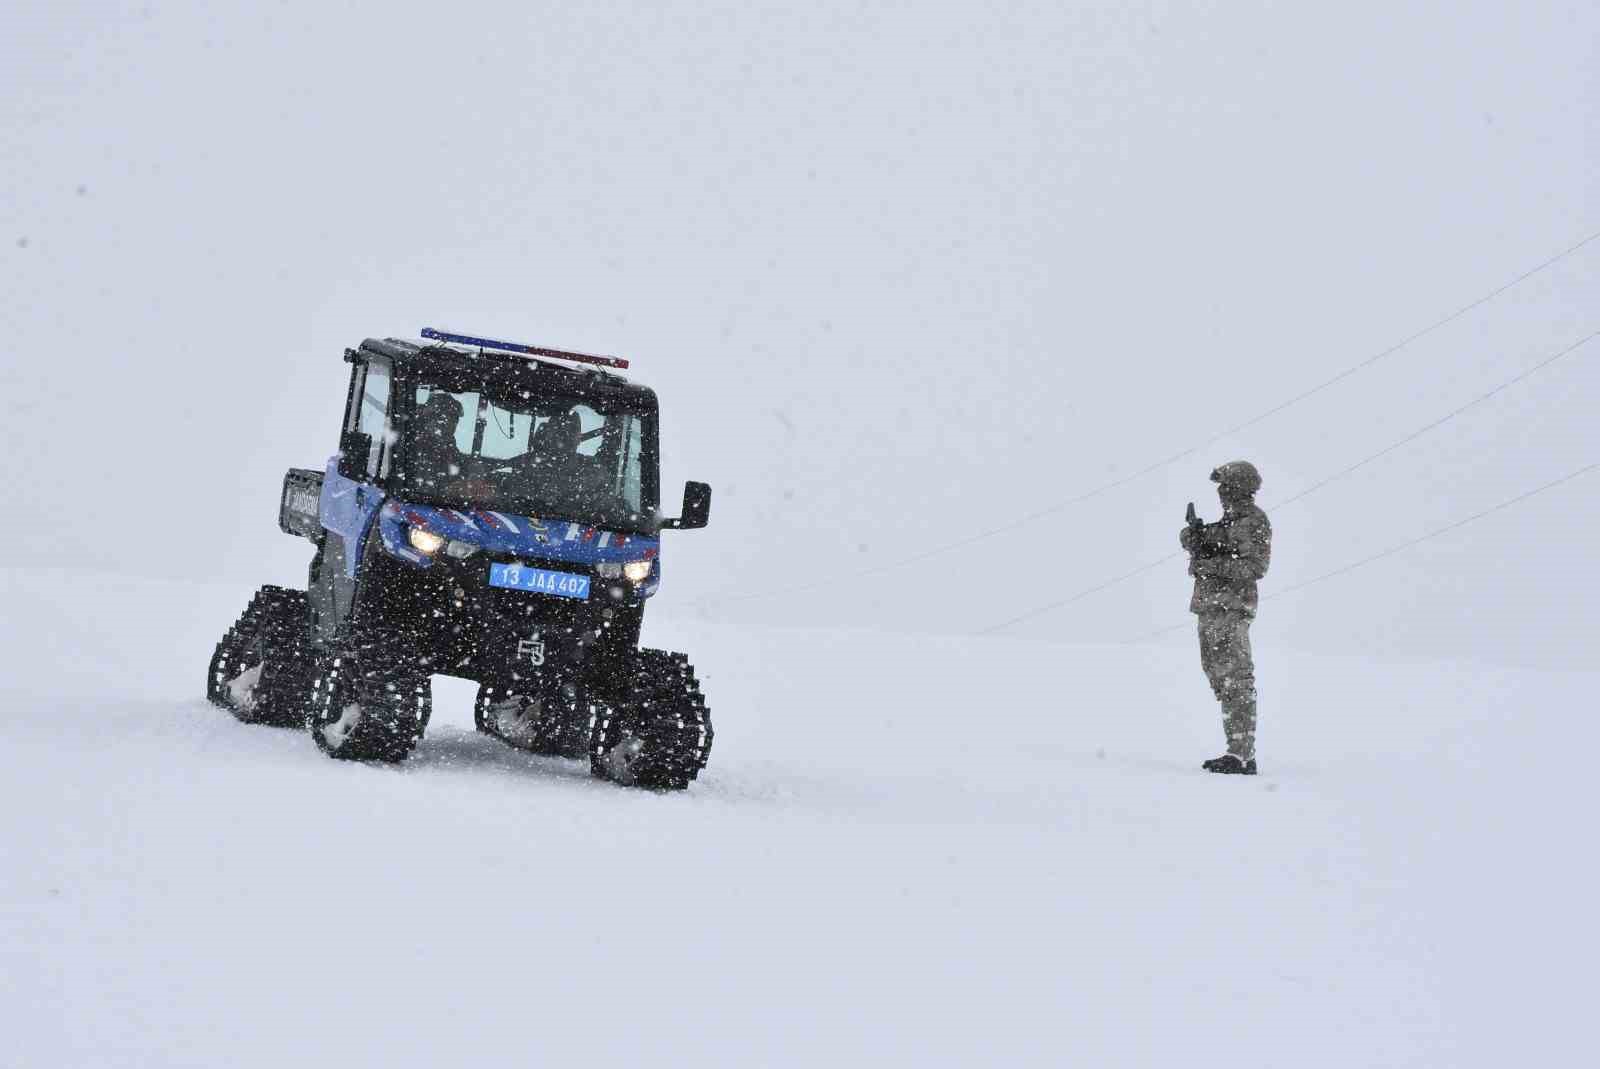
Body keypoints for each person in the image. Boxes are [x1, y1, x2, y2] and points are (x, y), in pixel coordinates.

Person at [1180, 460, 1272, 775]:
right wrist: (1195, 538)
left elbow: (1254, 568)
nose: (1220, 492)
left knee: (1237, 678)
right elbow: (1205, 544)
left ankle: (1242, 755)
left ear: (1238, 487)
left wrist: (1209, 563)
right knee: (1219, 677)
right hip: (1211, 607)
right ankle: (1236, 750)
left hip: (1231, 609)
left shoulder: (1253, 522)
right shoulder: (1228, 522)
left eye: (1224, 485)